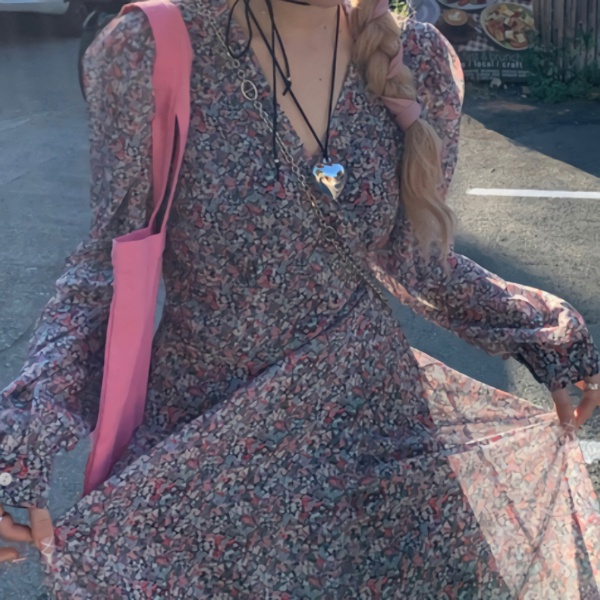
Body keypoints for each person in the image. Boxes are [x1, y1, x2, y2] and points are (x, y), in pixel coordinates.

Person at [1, 0, 599, 596]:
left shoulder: (417, 59)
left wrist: (542, 334)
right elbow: (103, 271)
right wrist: (21, 438)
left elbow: (417, 261)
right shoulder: (150, 47)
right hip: (212, 447)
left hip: (375, 435)